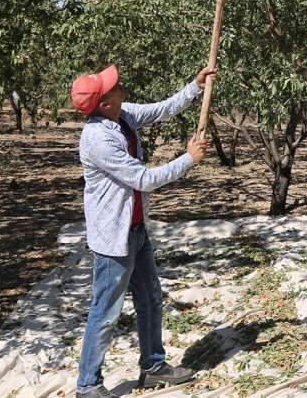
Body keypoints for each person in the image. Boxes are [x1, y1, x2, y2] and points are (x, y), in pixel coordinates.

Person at [69, 64, 215, 397]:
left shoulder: (122, 116)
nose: (120, 85)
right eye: (113, 87)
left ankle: (153, 365)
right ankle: (88, 385)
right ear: (104, 103)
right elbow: (144, 179)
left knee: (150, 297)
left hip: (135, 229)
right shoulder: (98, 139)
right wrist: (188, 159)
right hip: (113, 240)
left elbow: (163, 109)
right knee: (105, 312)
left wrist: (195, 85)